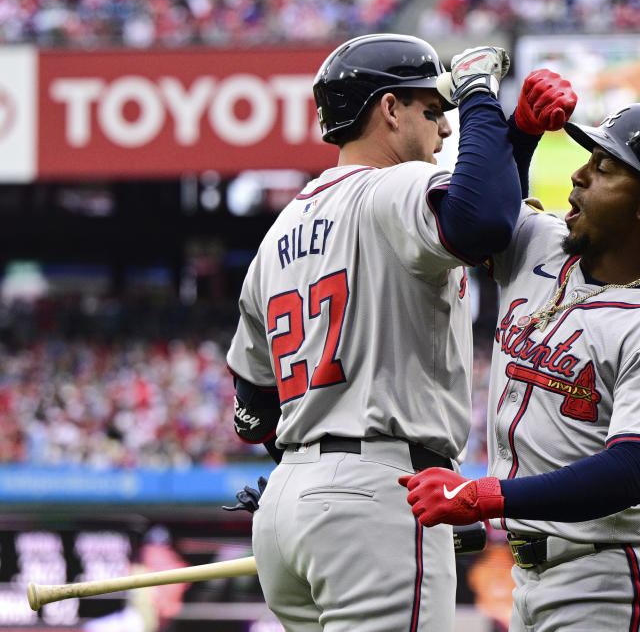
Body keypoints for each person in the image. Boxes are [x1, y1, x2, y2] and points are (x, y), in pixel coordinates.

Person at [224, 34, 573, 631]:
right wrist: (480, 95)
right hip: (380, 495)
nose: (443, 133)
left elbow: (254, 409)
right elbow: (482, 221)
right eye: (434, 111)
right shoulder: (394, 185)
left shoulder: (280, 229)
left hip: (287, 508)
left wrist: (306, 470)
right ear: (390, 109)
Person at [402, 96, 640, 631]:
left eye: (605, 168)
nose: (578, 174)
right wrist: (522, 131)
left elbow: (632, 471)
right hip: (534, 578)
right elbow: (487, 213)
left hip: (617, 582)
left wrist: (487, 497)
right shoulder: (546, 244)